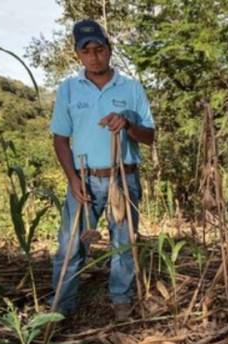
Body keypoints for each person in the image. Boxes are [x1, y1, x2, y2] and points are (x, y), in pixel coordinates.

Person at [49, 19, 155, 320]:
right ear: (77, 55)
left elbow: (150, 137)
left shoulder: (131, 88)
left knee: (124, 243)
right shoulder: (68, 89)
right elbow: (60, 138)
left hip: (124, 177)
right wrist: (72, 179)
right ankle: (60, 308)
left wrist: (128, 124)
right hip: (84, 178)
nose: (94, 56)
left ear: (110, 50)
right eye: (86, 51)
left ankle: (121, 299)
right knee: (70, 246)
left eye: (99, 49)